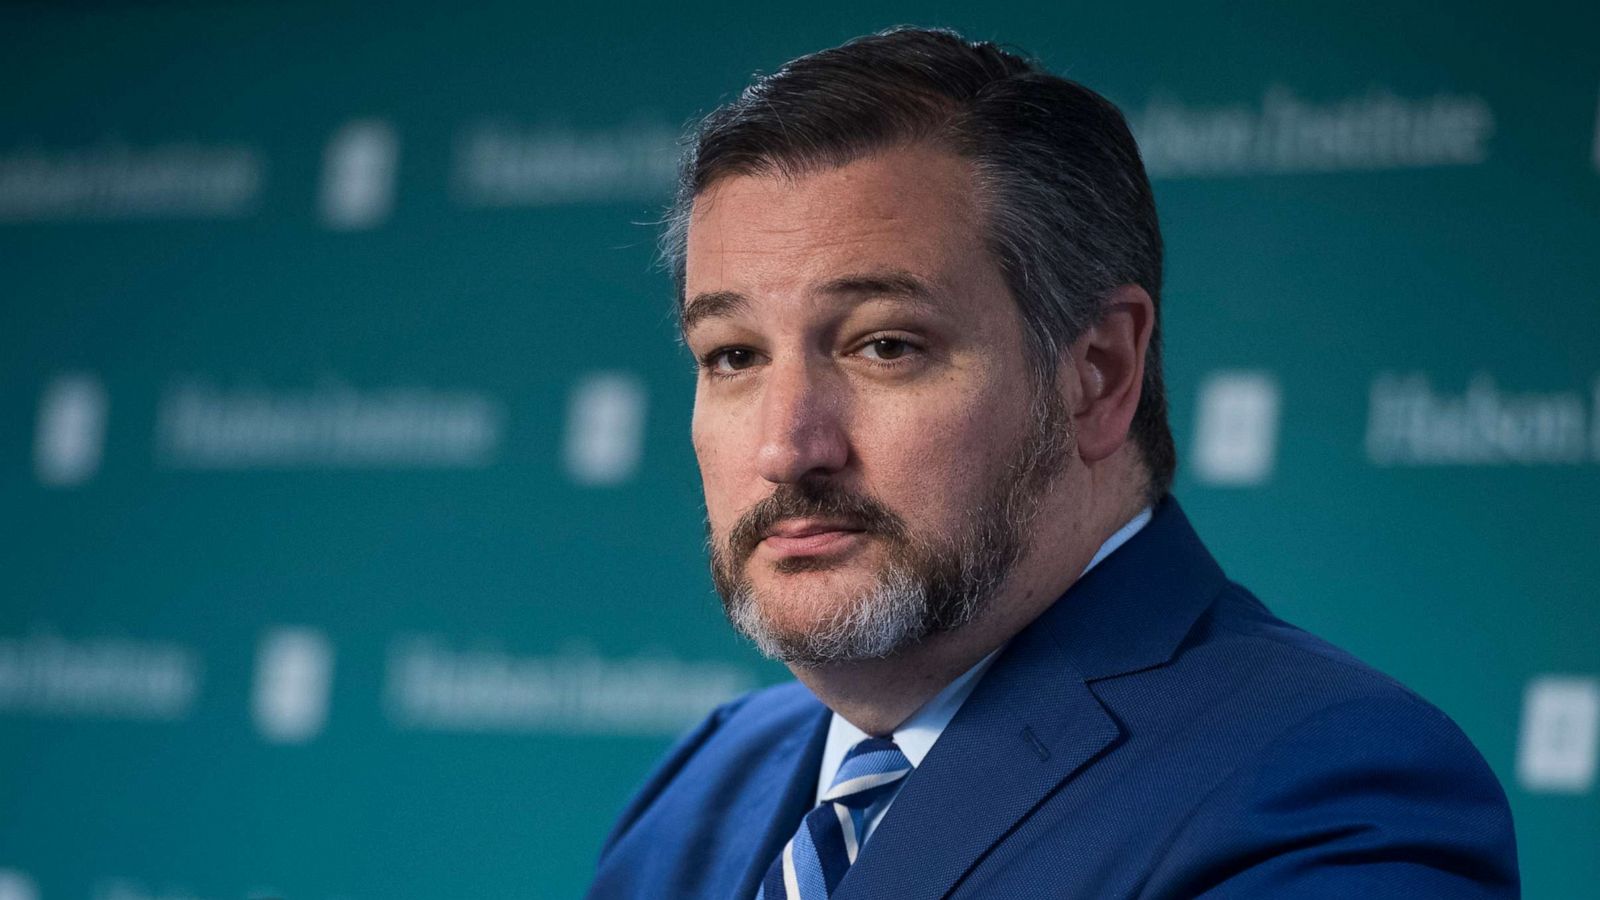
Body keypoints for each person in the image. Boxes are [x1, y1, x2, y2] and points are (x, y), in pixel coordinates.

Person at [587, 27, 1518, 900]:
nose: (787, 446)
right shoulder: (708, 779)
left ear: (1097, 373)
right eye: (734, 356)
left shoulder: (1328, 790)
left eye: (886, 346)